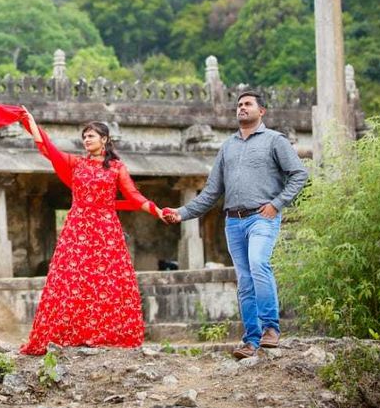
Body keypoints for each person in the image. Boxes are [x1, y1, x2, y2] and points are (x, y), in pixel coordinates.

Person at [160, 90, 308, 359]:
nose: (241, 108)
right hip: (234, 222)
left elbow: (299, 174)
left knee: (258, 264)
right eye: (239, 105)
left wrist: (277, 203)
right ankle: (251, 340)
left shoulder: (275, 140)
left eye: (248, 104)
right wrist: (181, 213)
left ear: (261, 111)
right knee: (244, 280)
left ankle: (271, 329)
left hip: (262, 217)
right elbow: (210, 192)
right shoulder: (228, 146)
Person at [19, 107, 164, 355]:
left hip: (106, 229)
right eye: (84, 136)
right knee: (71, 280)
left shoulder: (117, 168)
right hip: (77, 228)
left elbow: (133, 195)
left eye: (92, 135)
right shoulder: (76, 164)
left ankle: (106, 334)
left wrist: (158, 211)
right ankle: (70, 334)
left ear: (104, 140)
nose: (87, 139)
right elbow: (49, 150)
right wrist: (31, 123)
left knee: (107, 281)